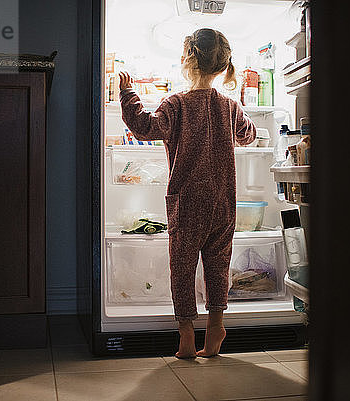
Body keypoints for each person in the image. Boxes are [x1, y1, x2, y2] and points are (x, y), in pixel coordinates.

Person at [118, 28, 257, 358]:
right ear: (224, 67)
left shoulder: (176, 104)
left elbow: (143, 127)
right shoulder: (229, 106)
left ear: (186, 61)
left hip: (187, 201)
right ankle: (216, 326)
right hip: (224, 202)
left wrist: (127, 93)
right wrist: (244, 121)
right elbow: (248, 135)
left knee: (182, 267)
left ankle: (185, 337)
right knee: (218, 265)